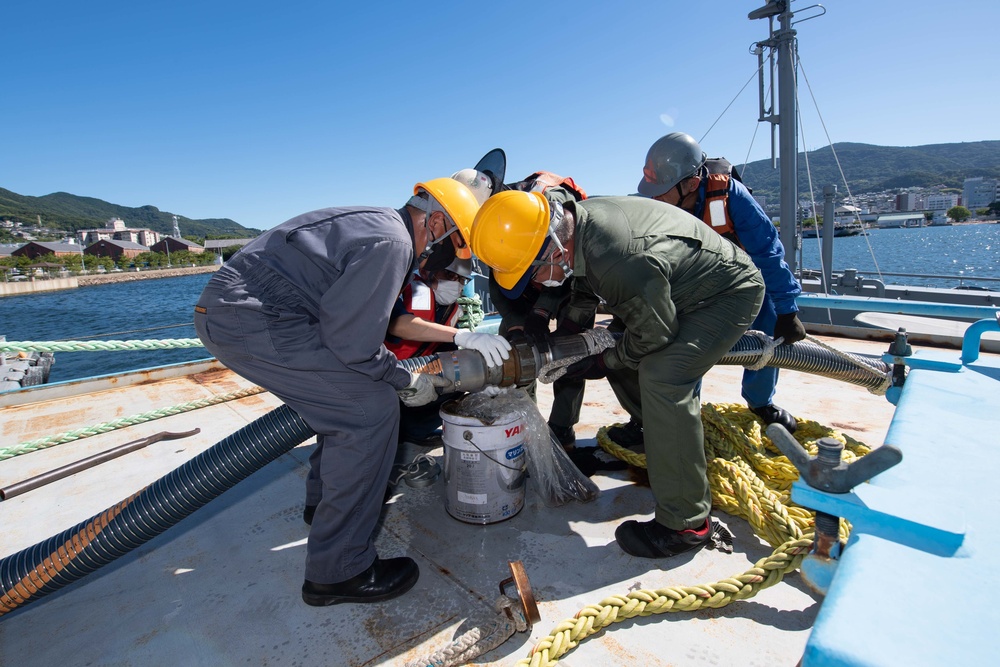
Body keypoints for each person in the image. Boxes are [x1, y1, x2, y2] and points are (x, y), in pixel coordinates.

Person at [193, 177, 493, 606]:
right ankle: (338, 572)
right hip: (257, 319)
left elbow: (381, 321)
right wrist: (404, 379)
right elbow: (357, 346)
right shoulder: (393, 243)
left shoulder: (381, 228)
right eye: (456, 243)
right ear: (438, 222)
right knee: (368, 412)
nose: (449, 257)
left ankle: (322, 508)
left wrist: (458, 339)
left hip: (240, 312)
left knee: (341, 402)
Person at [469, 191, 765, 559]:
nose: (538, 285)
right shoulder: (579, 224)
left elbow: (653, 334)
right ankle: (655, 434)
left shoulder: (616, 256)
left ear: (555, 249)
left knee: (663, 375)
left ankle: (686, 524)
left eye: (534, 274)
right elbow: (584, 282)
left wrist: (603, 361)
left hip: (724, 294)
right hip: (673, 289)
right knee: (619, 349)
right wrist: (542, 316)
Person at [635, 132, 805, 437]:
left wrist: (787, 310)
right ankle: (676, 411)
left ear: (690, 183)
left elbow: (767, 251)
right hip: (694, 286)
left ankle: (760, 402)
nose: (655, 197)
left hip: (745, 282)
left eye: (661, 190)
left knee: (765, 331)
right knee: (677, 345)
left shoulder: (731, 197)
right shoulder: (658, 206)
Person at [453, 164, 591, 448]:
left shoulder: (546, 201)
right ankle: (527, 421)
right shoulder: (488, 228)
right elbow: (496, 277)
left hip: (571, 282)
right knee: (514, 348)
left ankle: (563, 428)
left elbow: (567, 255)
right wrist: (516, 322)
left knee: (572, 354)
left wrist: (542, 312)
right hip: (525, 284)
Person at [386, 257, 511, 447]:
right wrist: (460, 335)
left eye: (461, 279)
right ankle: (393, 434)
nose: (455, 283)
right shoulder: (408, 292)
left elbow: (454, 360)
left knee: (455, 385)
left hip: (417, 386)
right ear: (428, 272)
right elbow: (399, 325)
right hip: (386, 380)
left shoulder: (451, 311)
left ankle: (413, 432)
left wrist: (480, 384)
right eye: (449, 275)